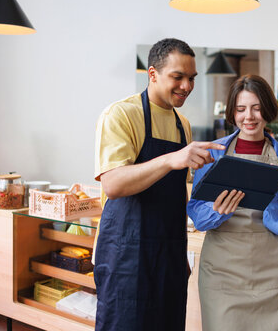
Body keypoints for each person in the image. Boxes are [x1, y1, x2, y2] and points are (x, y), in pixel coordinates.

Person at [93, 38, 224, 331]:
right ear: (152, 74)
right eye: (177, 77)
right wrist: (170, 160)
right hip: (126, 256)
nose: (187, 86)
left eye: (191, 78)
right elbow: (112, 184)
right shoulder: (121, 114)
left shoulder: (183, 124)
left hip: (169, 256)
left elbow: (179, 193)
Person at [187, 74, 278, 331]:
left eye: (256, 108)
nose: (248, 117)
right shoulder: (213, 154)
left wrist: (269, 199)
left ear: (268, 110)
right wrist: (216, 211)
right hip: (222, 273)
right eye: (240, 109)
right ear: (232, 112)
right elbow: (196, 211)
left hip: (271, 272)